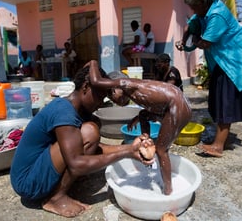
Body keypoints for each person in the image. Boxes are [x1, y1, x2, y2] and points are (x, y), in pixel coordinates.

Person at [10, 65, 155, 218]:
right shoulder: (63, 111)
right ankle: (55, 198)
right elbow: (76, 163)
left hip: (37, 172)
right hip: (28, 182)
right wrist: (126, 152)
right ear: (85, 87)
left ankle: (59, 187)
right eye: (100, 96)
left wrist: (131, 148)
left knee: (92, 128)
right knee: (90, 131)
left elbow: (94, 147)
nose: (101, 102)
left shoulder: (77, 111)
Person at [177, 0, 242, 157]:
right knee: (219, 100)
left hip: (236, 63)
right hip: (223, 62)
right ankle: (223, 139)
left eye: (195, 7)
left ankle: (218, 146)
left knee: (226, 103)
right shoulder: (203, 12)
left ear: (203, 2)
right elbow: (190, 26)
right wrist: (183, 40)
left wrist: (193, 40)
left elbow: (205, 43)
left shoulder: (217, 15)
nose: (194, 11)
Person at [88, 60, 192, 195]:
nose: (114, 100)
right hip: (173, 106)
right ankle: (146, 140)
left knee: (161, 150)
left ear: (117, 86)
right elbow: (154, 103)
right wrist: (137, 118)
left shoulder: (126, 83)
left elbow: (96, 81)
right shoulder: (135, 90)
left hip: (177, 107)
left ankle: (168, 191)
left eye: (111, 94)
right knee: (143, 114)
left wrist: (92, 63)